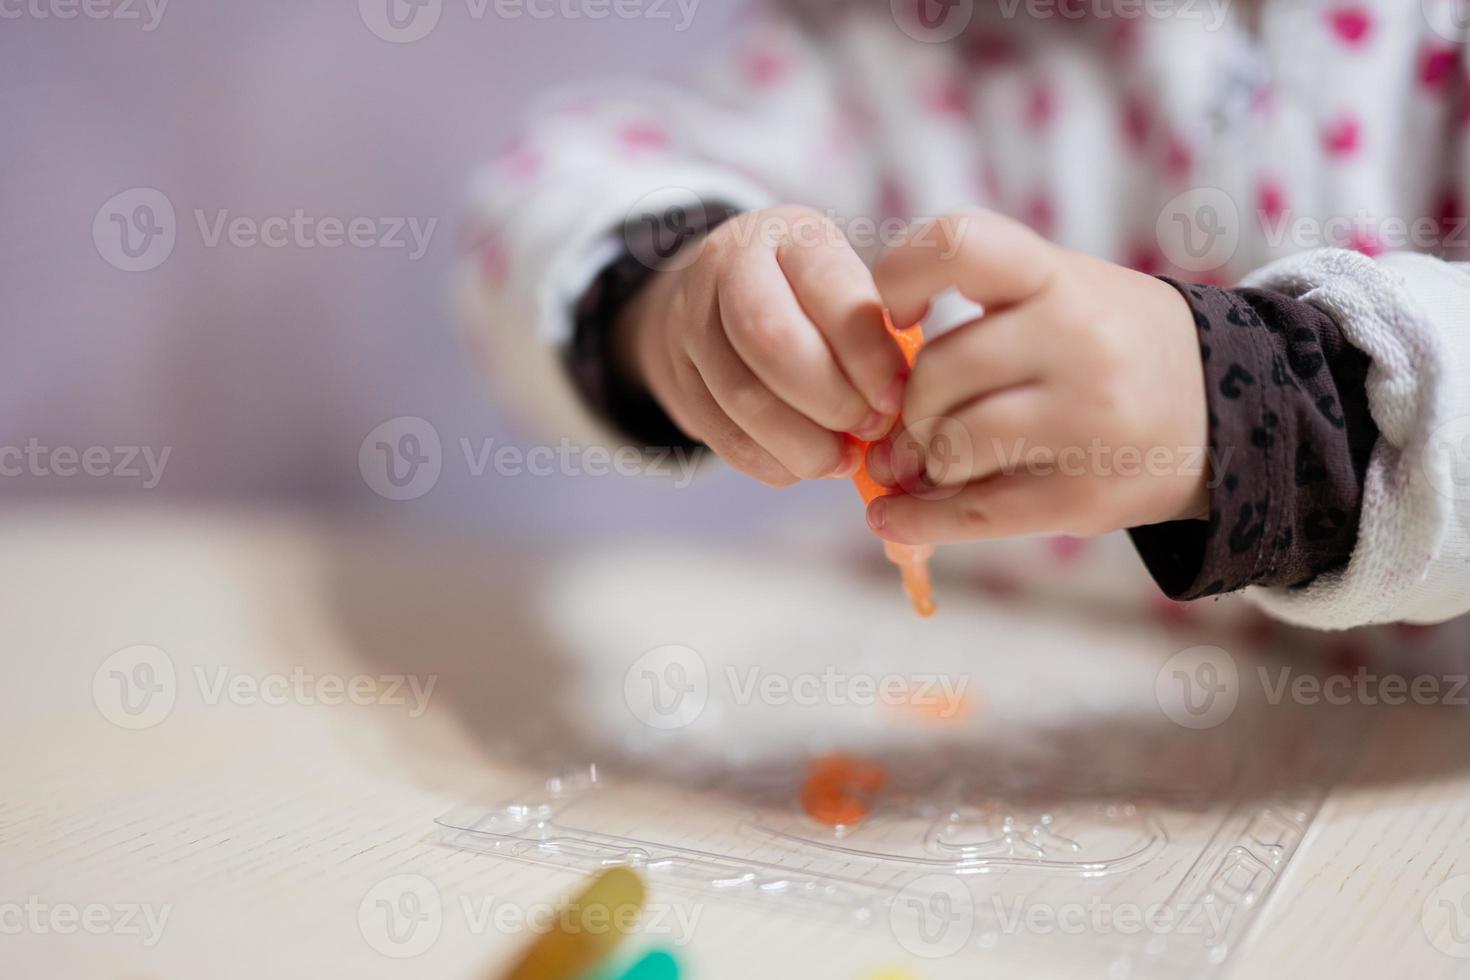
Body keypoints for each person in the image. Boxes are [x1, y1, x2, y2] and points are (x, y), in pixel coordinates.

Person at [459, 0, 1470, 632]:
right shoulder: (885, 38)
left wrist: (1260, 409)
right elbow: (546, 192)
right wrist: (671, 294)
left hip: (1375, 793)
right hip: (955, 707)